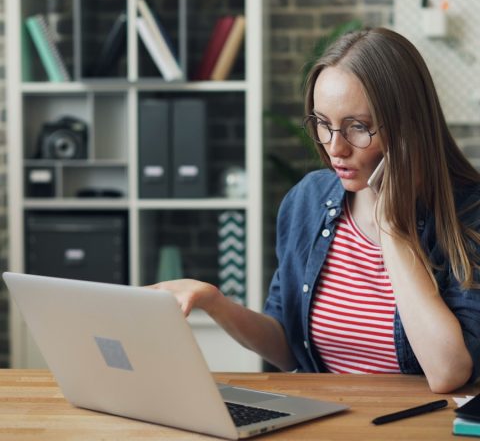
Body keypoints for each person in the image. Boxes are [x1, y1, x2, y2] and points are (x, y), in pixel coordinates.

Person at [150, 27, 480, 394]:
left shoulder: (469, 213)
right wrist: (214, 302)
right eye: (323, 124)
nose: (334, 148)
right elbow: (287, 348)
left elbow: (449, 372)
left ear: (409, 128)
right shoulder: (308, 199)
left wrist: (393, 229)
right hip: (327, 419)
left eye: (358, 127)